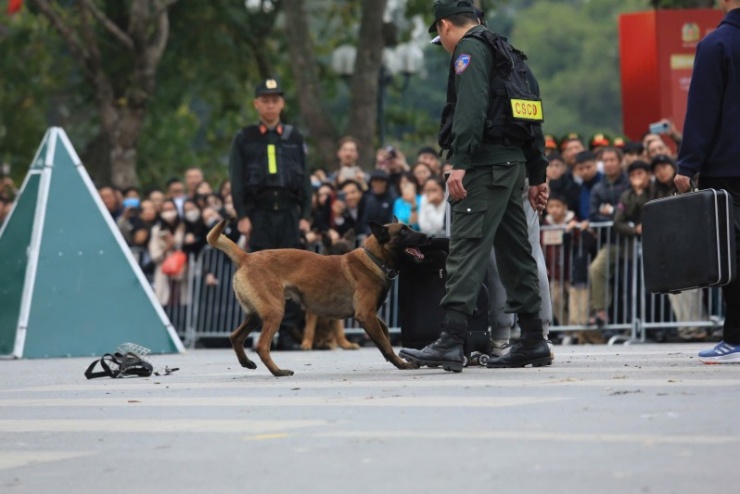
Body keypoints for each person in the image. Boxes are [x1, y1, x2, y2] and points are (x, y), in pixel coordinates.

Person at [399, 0, 551, 371]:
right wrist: (538, 174)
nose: (443, 42)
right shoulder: (508, 52)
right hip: (514, 167)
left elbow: (470, 108)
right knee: (517, 255)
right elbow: (532, 112)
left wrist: (459, 164)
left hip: (483, 168)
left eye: (440, 34)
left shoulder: (468, 50)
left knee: (464, 250)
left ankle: (450, 341)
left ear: (446, 25)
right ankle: (533, 340)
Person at [674, 0, 740, 363]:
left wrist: (687, 165)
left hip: (729, 165)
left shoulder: (716, 44)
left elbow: (702, 110)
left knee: (733, 254)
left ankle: (735, 336)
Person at [228, 77, 313, 350]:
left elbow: (305, 179)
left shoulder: (293, 136)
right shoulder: (245, 137)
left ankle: (287, 332)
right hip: (259, 214)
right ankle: (259, 331)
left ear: (282, 104)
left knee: (292, 275)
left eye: (275, 100)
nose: (270, 105)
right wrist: (242, 215)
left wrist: (306, 214)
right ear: (256, 104)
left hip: (288, 212)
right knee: (258, 274)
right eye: (265, 100)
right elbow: (236, 180)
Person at [586, 146, 629, 329]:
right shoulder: (598, 187)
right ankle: (601, 312)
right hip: (611, 242)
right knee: (596, 268)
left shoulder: (629, 183)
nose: (609, 163)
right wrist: (616, 214)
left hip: (632, 240)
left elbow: (630, 212)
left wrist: (611, 211)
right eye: (606, 160)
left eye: (613, 160)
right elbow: (593, 215)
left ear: (620, 162)